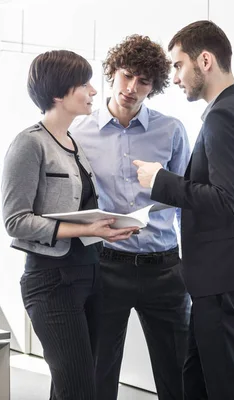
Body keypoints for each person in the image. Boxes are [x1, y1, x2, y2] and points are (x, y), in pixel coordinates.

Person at [133, 21, 234, 400]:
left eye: (178, 66)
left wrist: (161, 180)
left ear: (205, 60)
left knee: (227, 385)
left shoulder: (225, 115)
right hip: (225, 272)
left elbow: (227, 201)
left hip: (223, 274)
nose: (176, 78)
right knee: (195, 378)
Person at [1, 50, 137, 399]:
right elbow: (15, 221)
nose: (94, 91)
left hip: (90, 276)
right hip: (51, 282)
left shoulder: (74, 143)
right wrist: (88, 229)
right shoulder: (29, 144)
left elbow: (80, 207)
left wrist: (109, 224)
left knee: (74, 387)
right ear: (59, 94)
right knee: (78, 390)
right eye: (84, 84)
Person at [70, 35, 191, 400]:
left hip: (166, 270)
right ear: (112, 73)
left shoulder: (170, 131)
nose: (132, 88)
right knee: (98, 373)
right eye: (126, 76)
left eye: (144, 81)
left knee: (179, 374)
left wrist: (194, 265)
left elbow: (188, 201)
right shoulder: (79, 132)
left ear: (154, 86)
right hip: (106, 267)